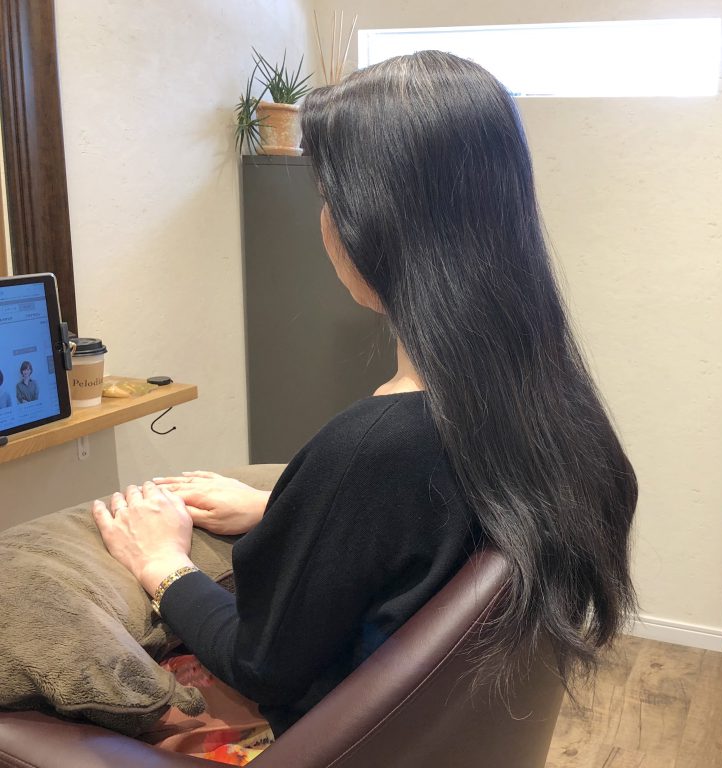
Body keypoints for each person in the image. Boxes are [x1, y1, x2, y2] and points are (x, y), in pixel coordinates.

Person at [92, 50, 638, 753]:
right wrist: (291, 511)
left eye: (329, 195)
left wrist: (161, 563)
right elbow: (454, 512)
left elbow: (260, 664)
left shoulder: (378, 445)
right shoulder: (553, 408)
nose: (324, 219)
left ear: (369, 225)